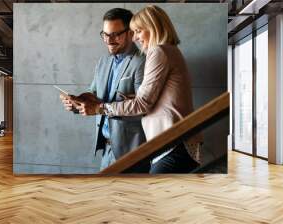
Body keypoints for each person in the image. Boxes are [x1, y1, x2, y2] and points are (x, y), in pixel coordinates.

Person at [75, 5, 203, 174]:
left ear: (153, 27)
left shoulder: (158, 51)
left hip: (171, 142)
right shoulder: (170, 51)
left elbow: (142, 103)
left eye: (138, 31)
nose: (135, 37)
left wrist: (100, 108)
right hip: (171, 143)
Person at [60, 8, 149, 172]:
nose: (109, 40)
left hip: (132, 151)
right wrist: (77, 103)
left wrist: (101, 107)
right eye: (105, 34)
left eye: (115, 34)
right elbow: (93, 96)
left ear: (130, 33)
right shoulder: (103, 62)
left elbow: (143, 108)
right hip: (106, 149)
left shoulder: (142, 62)